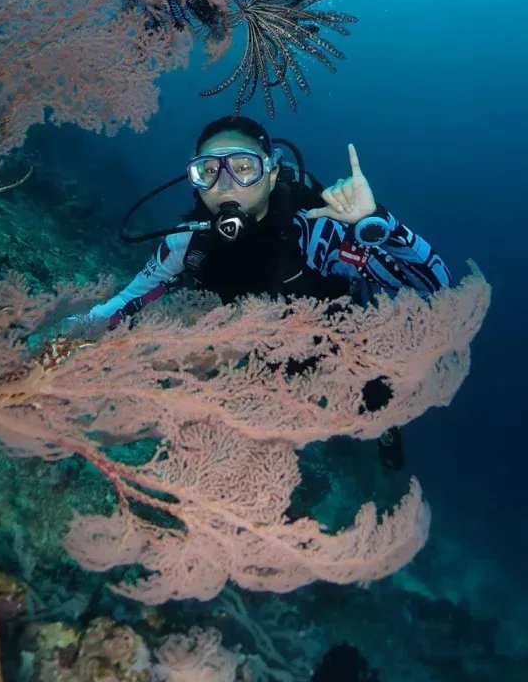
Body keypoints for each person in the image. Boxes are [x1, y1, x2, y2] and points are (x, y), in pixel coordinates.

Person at [72, 115, 451, 469]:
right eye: (208, 170)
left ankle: (386, 431)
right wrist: (76, 331)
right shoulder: (188, 243)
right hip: (263, 360)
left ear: (271, 174)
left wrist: (377, 223)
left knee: (374, 402)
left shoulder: (314, 234)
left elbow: (436, 284)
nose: (224, 184)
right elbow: (129, 300)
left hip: (339, 351)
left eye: (243, 168)